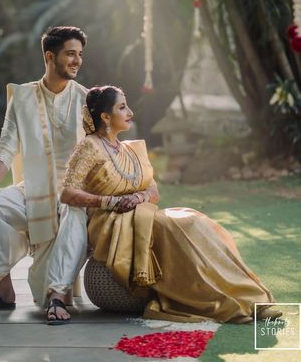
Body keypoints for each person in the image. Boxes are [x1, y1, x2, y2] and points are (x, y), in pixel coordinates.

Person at [60, 85, 282, 323]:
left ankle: (251, 298)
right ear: (105, 116)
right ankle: (225, 304)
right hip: (110, 222)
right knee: (173, 227)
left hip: (141, 212)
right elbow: (67, 193)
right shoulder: (89, 146)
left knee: (193, 221)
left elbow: (153, 190)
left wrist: (138, 197)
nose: (130, 112)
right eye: (122, 107)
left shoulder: (129, 149)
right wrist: (110, 201)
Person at [0, 26, 89, 324]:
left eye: (80, 54)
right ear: (50, 56)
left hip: (72, 195)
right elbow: (6, 146)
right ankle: (4, 292)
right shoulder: (21, 97)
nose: (77, 60)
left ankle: (57, 294)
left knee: (73, 216)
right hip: (31, 190)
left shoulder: (87, 100)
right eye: (70, 53)